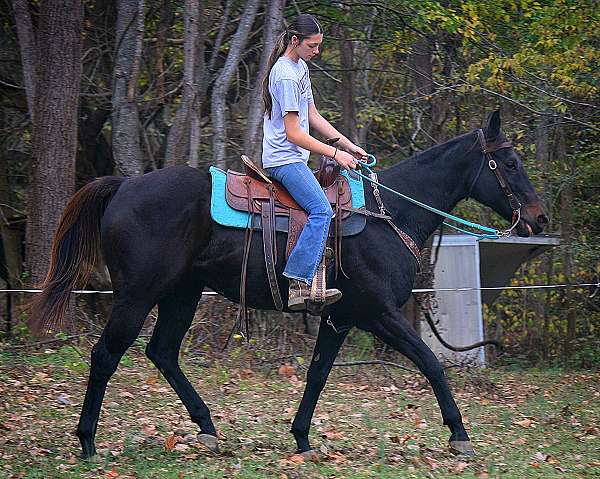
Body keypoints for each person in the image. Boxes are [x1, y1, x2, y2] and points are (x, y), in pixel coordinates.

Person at [261, 13, 367, 311]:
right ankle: (298, 282)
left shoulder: (300, 67)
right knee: (321, 210)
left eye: (319, 45)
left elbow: (314, 116)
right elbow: (294, 133)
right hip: (283, 160)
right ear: (295, 41)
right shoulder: (284, 75)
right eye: (313, 45)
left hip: (295, 158)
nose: (316, 52)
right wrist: (336, 154)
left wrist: (349, 145)